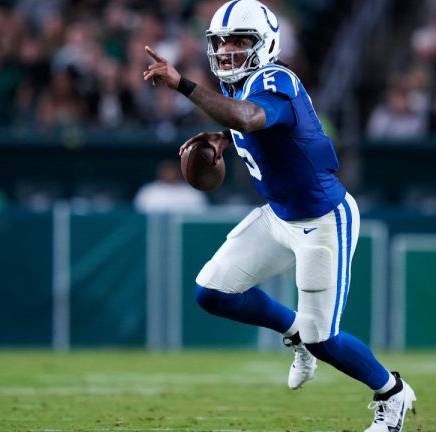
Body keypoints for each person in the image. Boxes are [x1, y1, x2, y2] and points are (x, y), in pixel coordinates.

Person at [143, 1, 416, 431]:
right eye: (222, 42)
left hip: (323, 218)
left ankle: (392, 392)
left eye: (240, 41)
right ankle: (295, 336)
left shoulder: (275, 78)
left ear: (265, 45)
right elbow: (255, 130)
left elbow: (252, 117)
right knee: (212, 293)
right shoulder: (235, 88)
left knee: (324, 338)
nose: (229, 50)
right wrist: (221, 143)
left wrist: (182, 85)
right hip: (279, 216)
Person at [133, 159, 208, 213]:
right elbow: (139, 213)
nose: (170, 174)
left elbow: (201, 214)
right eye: (166, 171)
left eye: (172, 171)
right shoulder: (148, 191)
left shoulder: (191, 192)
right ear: (160, 172)